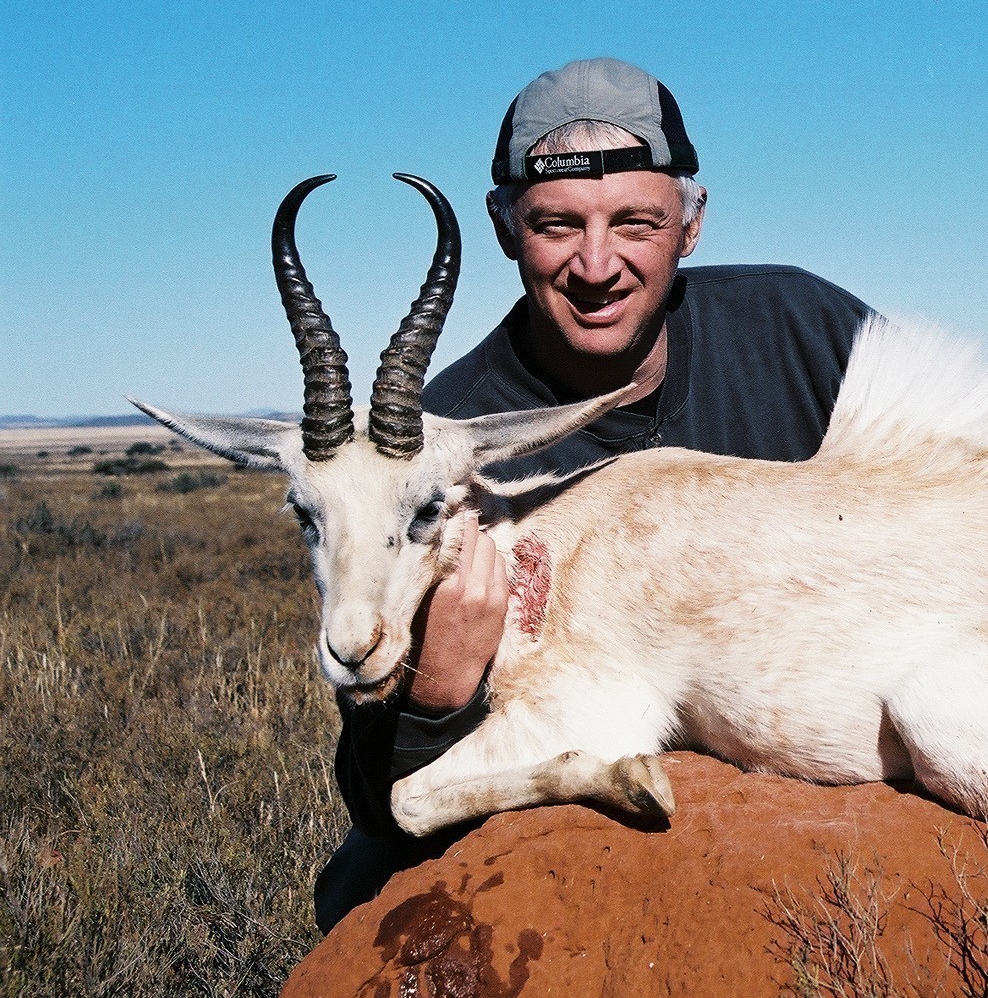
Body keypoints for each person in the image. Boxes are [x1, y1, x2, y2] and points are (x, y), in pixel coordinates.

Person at [314, 57, 876, 932]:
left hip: (834, 714)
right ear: (506, 228)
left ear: (691, 225)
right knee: (361, 885)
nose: (597, 263)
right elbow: (375, 784)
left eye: (636, 221)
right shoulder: (440, 441)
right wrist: (438, 693)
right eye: (556, 224)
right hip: (595, 770)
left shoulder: (806, 328)